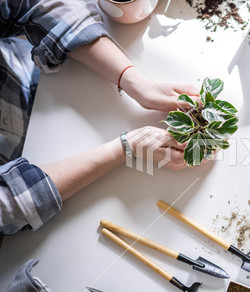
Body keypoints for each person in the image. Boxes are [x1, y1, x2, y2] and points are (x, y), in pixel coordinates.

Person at [0, 0, 200, 236]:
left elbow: (32, 3)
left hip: (37, 78)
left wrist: (133, 81)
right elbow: (8, 208)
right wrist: (127, 147)